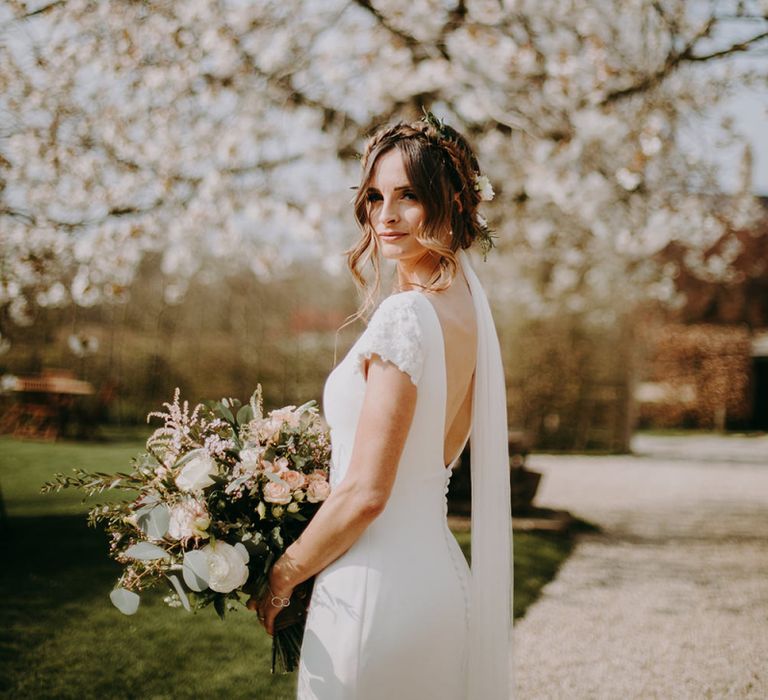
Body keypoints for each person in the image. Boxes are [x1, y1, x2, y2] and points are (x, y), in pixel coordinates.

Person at [252, 115, 513, 699]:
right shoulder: (466, 309)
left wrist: (283, 575)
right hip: (440, 584)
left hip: (372, 592)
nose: (385, 216)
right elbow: (433, 460)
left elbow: (370, 491)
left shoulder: (405, 316)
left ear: (449, 203)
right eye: (374, 196)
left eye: (408, 197)